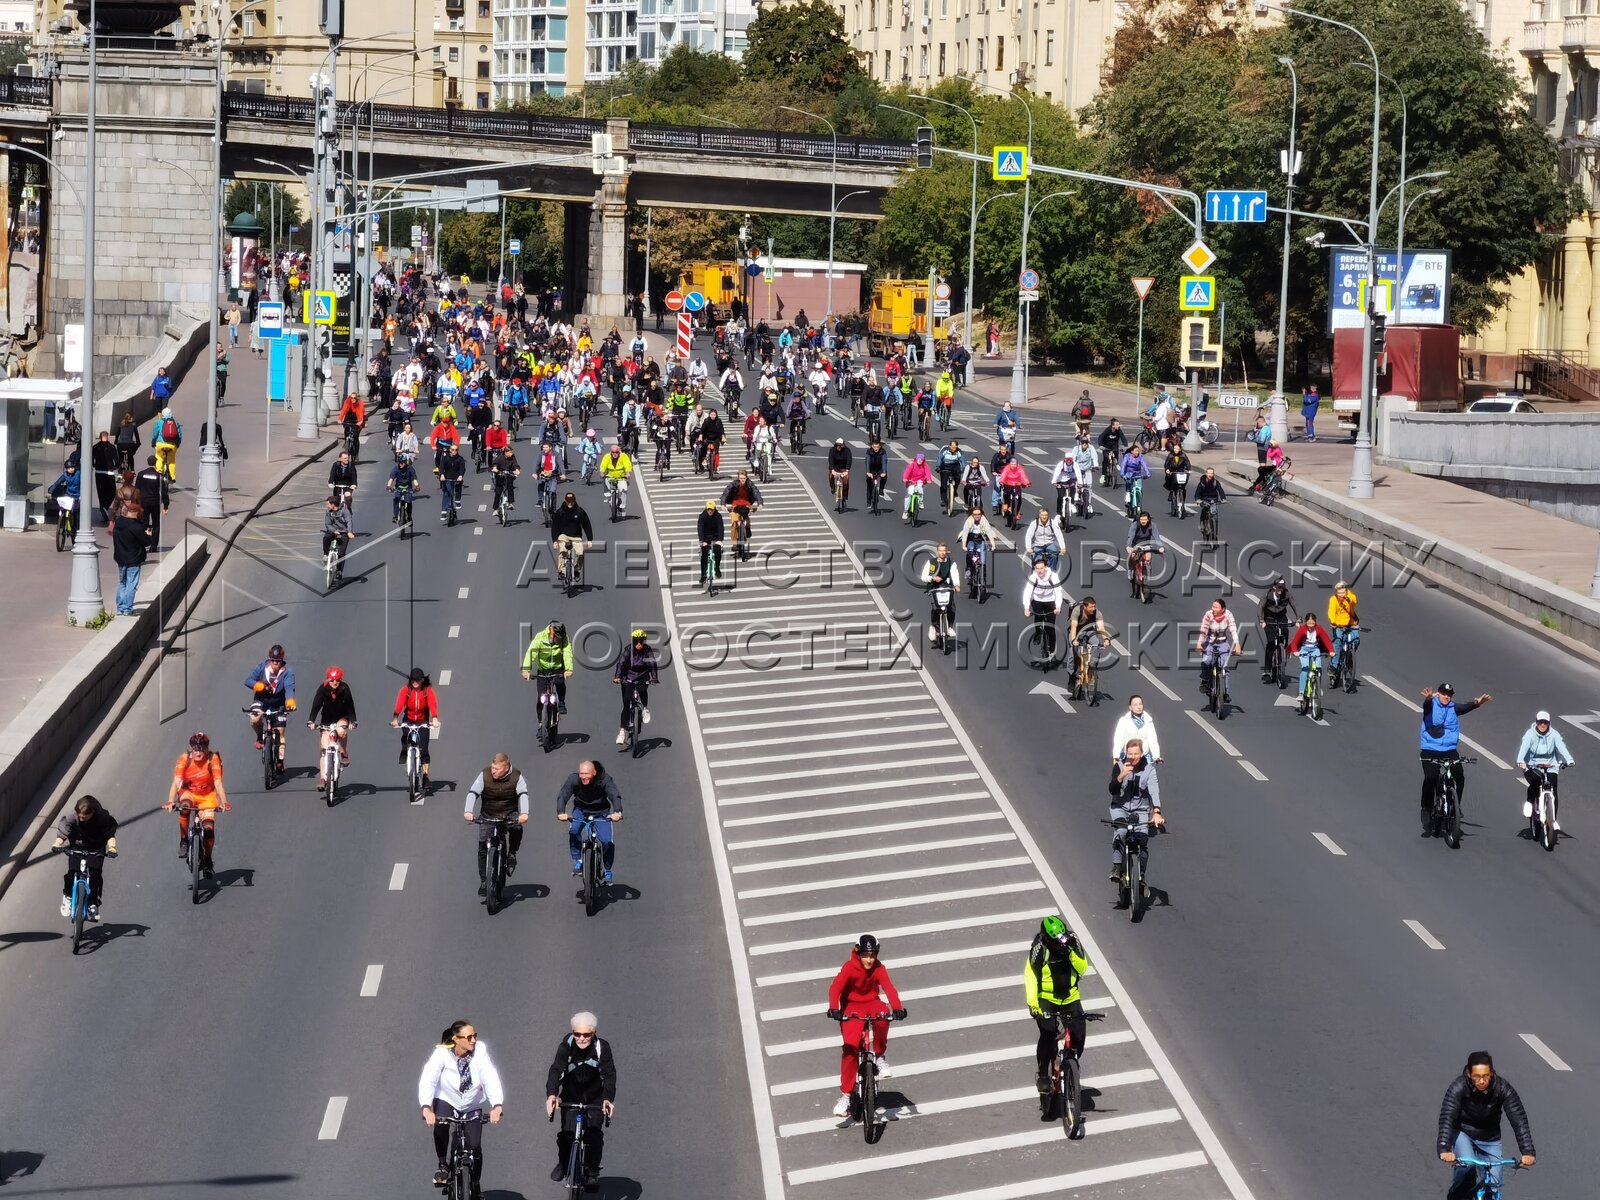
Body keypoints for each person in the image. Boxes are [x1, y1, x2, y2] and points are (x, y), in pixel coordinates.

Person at [825, 935, 906, 1118]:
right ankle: (846, 1095)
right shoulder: (849, 968)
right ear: (858, 953)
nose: (869, 959)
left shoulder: (879, 968)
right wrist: (833, 1008)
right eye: (865, 955)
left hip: (872, 1002)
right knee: (850, 1049)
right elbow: (835, 988)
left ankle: (879, 1055)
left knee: (884, 1017)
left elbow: (889, 988)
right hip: (851, 1006)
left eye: (872, 955)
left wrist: (898, 1008)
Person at [418, 1021, 505, 1190]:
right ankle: (443, 1165)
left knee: (474, 1146)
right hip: (447, 1099)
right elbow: (429, 1079)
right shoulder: (441, 1053)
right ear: (456, 1039)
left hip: (471, 1103)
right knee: (440, 1126)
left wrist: (497, 1105)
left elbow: (490, 1076)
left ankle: (475, 1183)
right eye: (469, 1037)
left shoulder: (480, 1051)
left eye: (475, 1036)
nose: (473, 1040)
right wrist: (426, 1107)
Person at [1437, 1051, 1535, 1196]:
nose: (1482, 1081)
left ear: (1492, 1073)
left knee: (1494, 1186)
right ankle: (1456, 1194)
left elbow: (1518, 1118)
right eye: (1477, 1077)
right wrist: (1444, 1149)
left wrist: (1527, 1151)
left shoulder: (1502, 1088)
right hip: (1464, 1133)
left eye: (1486, 1076)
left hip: (1490, 1139)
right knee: (1466, 1167)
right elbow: (1447, 1117)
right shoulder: (1458, 1087)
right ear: (1469, 1074)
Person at [543, 1012, 618, 1187]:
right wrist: (552, 1095)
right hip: (571, 1096)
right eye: (577, 1034)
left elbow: (609, 1074)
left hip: (595, 1097)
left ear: (594, 1033)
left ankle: (592, 1171)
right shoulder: (566, 1046)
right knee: (566, 1136)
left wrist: (608, 1099)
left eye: (586, 1035)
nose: (581, 1038)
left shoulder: (602, 1047)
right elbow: (555, 1070)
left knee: (594, 1135)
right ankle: (563, 1163)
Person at [1024, 916, 1091, 1109]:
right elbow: (1030, 977)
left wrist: (1069, 951)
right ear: (1046, 938)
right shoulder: (1039, 949)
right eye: (1054, 940)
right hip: (1047, 999)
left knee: (1078, 1036)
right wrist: (1034, 1005)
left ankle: (1069, 1067)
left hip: (1070, 997)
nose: (1058, 942)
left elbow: (1083, 968)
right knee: (1047, 1033)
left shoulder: (1072, 942)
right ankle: (1044, 1076)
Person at [1419, 684, 1491, 836]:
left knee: (1459, 775)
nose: (1447, 697)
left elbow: (1465, 708)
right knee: (1430, 778)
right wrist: (1427, 699)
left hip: (1449, 750)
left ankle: (1455, 805)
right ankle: (1426, 808)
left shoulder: (1452, 708)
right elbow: (1426, 707)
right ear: (1438, 694)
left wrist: (1477, 703)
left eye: (1449, 694)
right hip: (1430, 749)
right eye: (1444, 694)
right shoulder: (1431, 705)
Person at [164, 732, 230, 877]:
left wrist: (224, 802)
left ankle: (207, 860)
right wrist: (170, 800)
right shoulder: (184, 759)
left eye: (201, 748)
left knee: (208, 829)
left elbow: (218, 783)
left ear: (206, 748)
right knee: (185, 806)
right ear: (191, 748)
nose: (198, 751)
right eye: (195, 748)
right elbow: (176, 782)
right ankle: (184, 841)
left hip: (207, 797)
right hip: (189, 793)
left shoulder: (213, 760)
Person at [465, 754, 531, 894]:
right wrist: (468, 811)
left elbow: (523, 794)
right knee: (483, 846)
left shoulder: (516, 776)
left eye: (497, 769)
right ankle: (484, 881)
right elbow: (473, 792)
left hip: (509, 813)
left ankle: (512, 853)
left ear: (506, 768)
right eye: (493, 767)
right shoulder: (484, 774)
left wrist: (524, 813)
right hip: (488, 814)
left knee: (517, 827)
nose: (493, 771)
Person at [54, 794, 118, 921]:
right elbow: (62, 834)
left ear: (92, 812)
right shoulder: (72, 818)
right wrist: (57, 844)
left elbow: (110, 835)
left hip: (96, 848)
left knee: (95, 874)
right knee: (72, 872)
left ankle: (93, 903)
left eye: (85, 817)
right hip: (77, 846)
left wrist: (112, 848)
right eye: (80, 816)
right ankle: (67, 896)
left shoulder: (103, 819)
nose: (81, 819)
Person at [555, 760, 623, 882]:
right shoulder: (573, 779)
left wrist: (617, 812)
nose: (583, 777)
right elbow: (563, 795)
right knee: (574, 831)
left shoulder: (605, 780)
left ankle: (607, 869)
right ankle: (578, 860)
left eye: (586, 773)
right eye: (581, 773)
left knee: (607, 841)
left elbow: (614, 794)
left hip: (601, 812)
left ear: (594, 773)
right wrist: (561, 812)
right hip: (581, 811)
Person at [1108, 737, 1164, 881]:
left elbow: (1154, 790)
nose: (1132, 757)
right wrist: (1121, 776)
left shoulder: (1149, 770)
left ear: (1142, 753)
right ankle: (1117, 866)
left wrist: (1156, 812)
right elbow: (1112, 790)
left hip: (1141, 810)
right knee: (1121, 832)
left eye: (1136, 754)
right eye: (1129, 754)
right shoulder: (1119, 766)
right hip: (1120, 808)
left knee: (1143, 840)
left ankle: (1141, 876)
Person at [1514, 711, 1574, 833]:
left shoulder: (1554, 735)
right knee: (1535, 783)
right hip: (1532, 765)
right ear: (1536, 722)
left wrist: (1569, 760)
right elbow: (1524, 747)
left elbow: (1562, 747)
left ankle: (1553, 819)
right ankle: (1530, 804)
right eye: (1540, 722)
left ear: (1549, 723)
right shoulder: (1530, 734)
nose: (1543, 724)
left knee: (1553, 790)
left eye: (1545, 722)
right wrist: (1520, 761)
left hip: (1551, 766)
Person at [305, 666, 357, 792]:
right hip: (327, 720)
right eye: (332, 680)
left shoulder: (344, 688)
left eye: (337, 680)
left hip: (341, 717)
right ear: (328, 679)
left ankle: (343, 752)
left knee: (341, 731)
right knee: (324, 747)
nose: (335, 683)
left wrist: (353, 721)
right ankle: (323, 778)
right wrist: (311, 720)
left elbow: (350, 705)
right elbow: (316, 705)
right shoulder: (323, 688)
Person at [392, 668, 441, 793]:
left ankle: (425, 777)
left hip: (422, 721)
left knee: (424, 749)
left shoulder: (427, 690)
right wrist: (395, 717)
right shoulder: (406, 690)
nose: (415, 682)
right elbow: (399, 703)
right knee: (405, 737)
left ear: (422, 680)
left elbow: (432, 704)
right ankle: (405, 749)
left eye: (417, 680)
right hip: (408, 720)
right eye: (413, 680)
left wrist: (434, 718)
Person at [244, 644, 296, 762]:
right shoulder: (261, 667)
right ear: (270, 659)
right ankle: (259, 737)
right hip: (261, 701)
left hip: (279, 704)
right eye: (273, 660)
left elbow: (289, 687)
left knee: (280, 733)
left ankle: (280, 761)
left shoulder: (288, 672)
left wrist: (290, 701)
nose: (275, 663)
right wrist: (258, 686)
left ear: (281, 660)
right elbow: (248, 680)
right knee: (254, 718)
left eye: (278, 661)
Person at [612, 630, 660, 745]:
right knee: (626, 703)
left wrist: (654, 678)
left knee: (643, 689)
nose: (639, 644)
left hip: (642, 676)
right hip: (628, 677)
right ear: (633, 642)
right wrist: (617, 677)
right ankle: (622, 732)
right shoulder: (628, 650)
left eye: (641, 641)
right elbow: (621, 663)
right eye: (637, 642)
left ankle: (645, 708)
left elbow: (652, 664)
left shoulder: (647, 650)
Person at [1195, 599, 1243, 705]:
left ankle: (1225, 693)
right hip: (1209, 643)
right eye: (1213, 606)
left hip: (1222, 643)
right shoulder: (1208, 615)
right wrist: (1199, 644)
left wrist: (1237, 644)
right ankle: (1205, 680)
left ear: (1223, 609)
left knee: (1224, 667)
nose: (1213, 609)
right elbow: (1203, 630)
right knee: (1207, 660)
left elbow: (1233, 629)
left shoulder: (1228, 615)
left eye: (1216, 607)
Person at [522, 620, 575, 714]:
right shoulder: (540, 637)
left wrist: (568, 669)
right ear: (551, 633)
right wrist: (526, 670)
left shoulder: (564, 638)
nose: (559, 641)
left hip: (557, 668)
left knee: (560, 683)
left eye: (560, 639)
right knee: (540, 697)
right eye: (557, 638)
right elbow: (531, 652)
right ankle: (540, 722)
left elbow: (567, 652)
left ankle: (561, 703)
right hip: (543, 670)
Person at [111, 496, 151, 616]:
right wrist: (148, 535)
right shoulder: (136, 527)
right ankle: (127, 609)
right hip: (133, 558)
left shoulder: (118, 524)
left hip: (120, 558)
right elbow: (146, 542)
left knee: (122, 582)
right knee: (131, 584)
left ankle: (120, 608)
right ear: (136, 513)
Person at [1022, 558, 1065, 669]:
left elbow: (1058, 592)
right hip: (1037, 600)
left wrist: (1058, 607)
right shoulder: (1033, 578)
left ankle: (1052, 653)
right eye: (1037, 569)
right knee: (1037, 617)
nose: (1039, 571)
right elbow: (1027, 593)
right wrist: (1026, 608)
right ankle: (1037, 633)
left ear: (1046, 568)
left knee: (1051, 628)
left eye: (1041, 568)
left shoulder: (1053, 576)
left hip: (1050, 601)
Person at [1288, 613, 1334, 713]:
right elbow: (1295, 641)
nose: (1310, 626)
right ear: (1306, 623)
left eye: (1312, 624)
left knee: (1318, 668)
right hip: (1304, 649)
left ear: (1315, 622)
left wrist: (1331, 651)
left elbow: (1326, 640)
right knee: (1305, 669)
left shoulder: (1319, 629)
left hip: (1315, 649)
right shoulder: (1302, 629)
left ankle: (1317, 687)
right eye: (1309, 624)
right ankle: (1301, 693)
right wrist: (1295, 651)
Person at [1258, 577, 1298, 680]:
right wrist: (1262, 620)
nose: (1281, 589)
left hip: (1281, 618)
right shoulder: (1267, 595)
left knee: (1285, 633)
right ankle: (1267, 670)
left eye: (1283, 587)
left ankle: (1283, 654)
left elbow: (1294, 605)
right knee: (1271, 643)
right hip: (1269, 619)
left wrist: (1298, 618)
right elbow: (1260, 607)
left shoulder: (1287, 594)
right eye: (1279, 587)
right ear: (1274, 587)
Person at [550, 492, 594, 580]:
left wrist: (590, 540)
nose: (570, 503)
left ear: (574, 501)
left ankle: (577, 570)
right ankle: (561, 571)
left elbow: (587, 525)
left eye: (572, 501)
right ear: (565, 501)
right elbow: (554, 526)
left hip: (576, 537)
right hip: (563, 536)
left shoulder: (580, 511)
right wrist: (555, 541)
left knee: (580, 553)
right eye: (568, 501)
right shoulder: (560, 512)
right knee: (563, 552)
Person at [1326, 579, 1361, 681]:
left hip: (1350, 625)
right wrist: (1333, 622)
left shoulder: (1350, 598)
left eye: (1342, 592)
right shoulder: (1333, 599)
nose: (1341, 594)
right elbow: (1331, 612)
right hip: (1338, 626)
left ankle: (1349, 657)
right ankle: (1334, 666)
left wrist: (1347, 592)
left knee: (1356, 639)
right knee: (1337, 643)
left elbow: (1354, 600)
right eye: (1339, 592)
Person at [1111, 695, 1161, 764]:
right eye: (1135, 705)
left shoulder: (1148, 721)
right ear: (1130, 707)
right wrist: (1116, 755)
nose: (1138, 707)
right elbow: (1119, 739)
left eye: (1140, 704)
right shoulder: (1124, 720)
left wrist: (1156, 756)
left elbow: (1153, 740)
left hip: (1144, 758)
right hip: (1129, 757)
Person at [1125, 510, 1164, 584]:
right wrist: (1128, 546)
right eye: (1141, 519)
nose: (1143, 521)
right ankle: (1130, 570)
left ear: (1148, 519)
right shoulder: (1135, 525)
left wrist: (1160, 547)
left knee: (1148, 558)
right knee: (1132, 557)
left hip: (1146, 544)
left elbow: (1156, 537)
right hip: (1135, 544)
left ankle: (1147, 575)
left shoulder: (1152, 526)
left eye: (1145, 520)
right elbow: (1130, 536)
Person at [321, 494, 353, 576]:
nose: (327, 506)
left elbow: (349, 521)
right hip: (333, 531)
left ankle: (339, 570)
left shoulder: (345, 510)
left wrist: (349, 532)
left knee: (341, 553)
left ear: (333, 504)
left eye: (328, 504)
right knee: (326, 537)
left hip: (343, 532)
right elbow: (327, 524)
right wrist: (334, 530)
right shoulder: (328, 512)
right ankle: (326, 554)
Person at [599, 442, 633, 515]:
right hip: (610, 476)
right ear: (611, 452)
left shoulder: (623, 456)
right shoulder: (607, 457)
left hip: (621, 477)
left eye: (616, 452)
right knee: (605, 480)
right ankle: (608, 496)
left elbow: (627, 465)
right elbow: (603, 465)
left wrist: (627, 473)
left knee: (624, 490)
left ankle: (622, 507)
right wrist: (602, 472)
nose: (615, 454)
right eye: (613, 452)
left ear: (619, 452)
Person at [697, 499, 725, 587]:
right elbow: (700, 529)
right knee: (704, 556)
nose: (710, 511)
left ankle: (717, 568)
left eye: (712, 509)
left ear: (714, 509)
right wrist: (702, 541)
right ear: (706, 508)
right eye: (708, 509)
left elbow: (721, 528)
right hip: (705, 538)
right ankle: (703, 576)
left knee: (717, 551)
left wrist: (720, 540)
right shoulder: (702, 516)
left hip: (715, 537)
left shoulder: (718, 516)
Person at [1118, 443, 1150, 516]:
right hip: (1128, 474)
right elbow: (1123, 465)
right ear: (1132, 451)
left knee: (1139, 488)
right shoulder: (1127, 456)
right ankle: (1128, 502)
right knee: (1128, 489)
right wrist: (1123, 474)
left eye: (1138, 451)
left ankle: (1139, 504)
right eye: (1136, 451)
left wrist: (1147, 474)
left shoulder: (1140, 457)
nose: (1137, 452)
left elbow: (1144, 465)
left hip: (1137, 475)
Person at [437, 442, 466, 522]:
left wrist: (460, 476)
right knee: (446, 493)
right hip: (447, 478)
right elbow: (441, 467)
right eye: (452, 450)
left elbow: (462, 468)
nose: (454, 451)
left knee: (458, 489)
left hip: (457, 478)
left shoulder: (460, 459)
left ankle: (457, 500)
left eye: (456, 450)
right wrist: (442, 475)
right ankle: (444, 511)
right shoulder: (445, 458)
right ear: (450, 450)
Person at [388, 454, 420, 524]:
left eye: (402, 463)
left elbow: (414, 479)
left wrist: (417, 486)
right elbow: (391, 478)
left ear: (406, 462)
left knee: (408, 502)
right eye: (399, 463)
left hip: (408, 488)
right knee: (396, 499)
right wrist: (389, 485)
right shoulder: (396, 468)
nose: (400, 464)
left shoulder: (410, 469)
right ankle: (395, 516)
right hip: (398, 488)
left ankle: (409, 516)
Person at [902, 451, 933, 521]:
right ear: (916, 459)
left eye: (921, 460)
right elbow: (907, 471)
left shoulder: (925, 465)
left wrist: (929, 479)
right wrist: (905, 478)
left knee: (920, 490)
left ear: (923, 460)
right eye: (919, 459)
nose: (920, 461)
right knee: (909, 494)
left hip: (920, 480)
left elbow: (928, 473)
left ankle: (921, 502)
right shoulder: (912, 465)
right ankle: (906, 511)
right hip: (911, 481)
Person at [154, 407, 181, 481]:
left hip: (161, 444)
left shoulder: (159, 422)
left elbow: (155, 434)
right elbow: (179, 435)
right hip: (172, 445)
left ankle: (158, 473)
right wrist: (177, 444)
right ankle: (172, 477)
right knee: (171, 461)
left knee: (159, 456)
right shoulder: (175, 422)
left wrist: (153, 443)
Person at [827, 437, 853, 505]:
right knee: (830, 475)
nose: (838, 447)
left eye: (840, 445)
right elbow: (830, 460)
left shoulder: (847, 450)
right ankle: (832, 487)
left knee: (845, 482)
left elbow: (849, 460)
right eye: (837, 445)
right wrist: (832, 469)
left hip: (844, 468)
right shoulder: (832, 450)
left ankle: (844, 499)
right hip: (835, 467)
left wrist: (847, 470)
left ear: (843, 445)